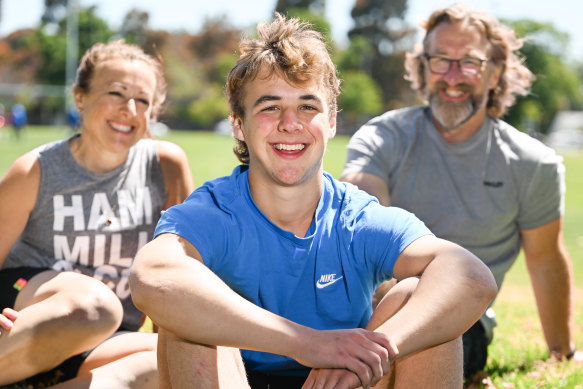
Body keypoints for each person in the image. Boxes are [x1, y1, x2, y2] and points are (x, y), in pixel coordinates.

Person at [129, 13, 497, 389]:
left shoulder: (356, 218)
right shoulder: (215, 211)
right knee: (187, 325)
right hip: (235, 379)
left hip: (339, 383)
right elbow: (152, 277)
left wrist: (366, 354)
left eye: (308, 106)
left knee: (417, 301)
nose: (291, 123)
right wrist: (308, 344)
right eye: (270, 107)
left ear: (332, 121)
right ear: (239, 124)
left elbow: (470, 276)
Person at [341, 3, 581, 384]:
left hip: (461, 320)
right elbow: (363, 219)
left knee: (411, 294)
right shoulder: (381, 137)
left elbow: (546, 260)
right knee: (395, 295)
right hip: (369, 304)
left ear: (495, 72)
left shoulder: (533, 164)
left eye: (469, 62)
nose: (453, 77)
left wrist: (562, 353)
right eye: (440, 61)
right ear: (422, 68)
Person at [0, 40, 194, 388]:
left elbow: (178, 276)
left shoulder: (166, 166)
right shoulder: (34, 170)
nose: (129, 109)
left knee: (193, 358)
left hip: (107, 339)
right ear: (80, 98)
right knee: (94, 306)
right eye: (116, 93)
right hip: (25, 318)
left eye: (142, 100)